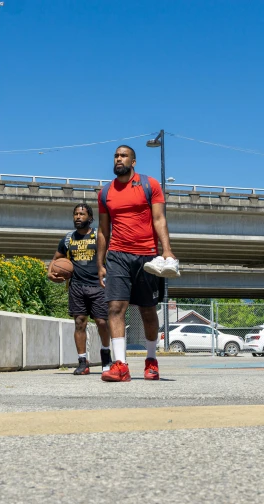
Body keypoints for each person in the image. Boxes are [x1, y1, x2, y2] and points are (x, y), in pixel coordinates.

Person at [96, 145, 179, 382]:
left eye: (123, 156)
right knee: (115, 308)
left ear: (133, 161)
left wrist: (167, 251)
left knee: (147, 310)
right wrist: (100, 263)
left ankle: (151, 360)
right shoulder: (105, 192)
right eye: (116, 155)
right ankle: (120, 365)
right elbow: (103, 230)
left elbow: (159, 219)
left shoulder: (149, 184)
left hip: (148, 256)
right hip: (117, 255)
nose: (118, 158)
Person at [48, 204, 112, 375]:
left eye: (82, 214)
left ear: (90, 218)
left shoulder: (98, 236)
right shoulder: (68, 239)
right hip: (77, 286)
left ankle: (106, 355)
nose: (78, 217)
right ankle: (83, 361)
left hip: (99, 285)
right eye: (75, 214)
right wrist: (50, 272)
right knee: (79, 323)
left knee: (102, 322)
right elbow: (56, 259)